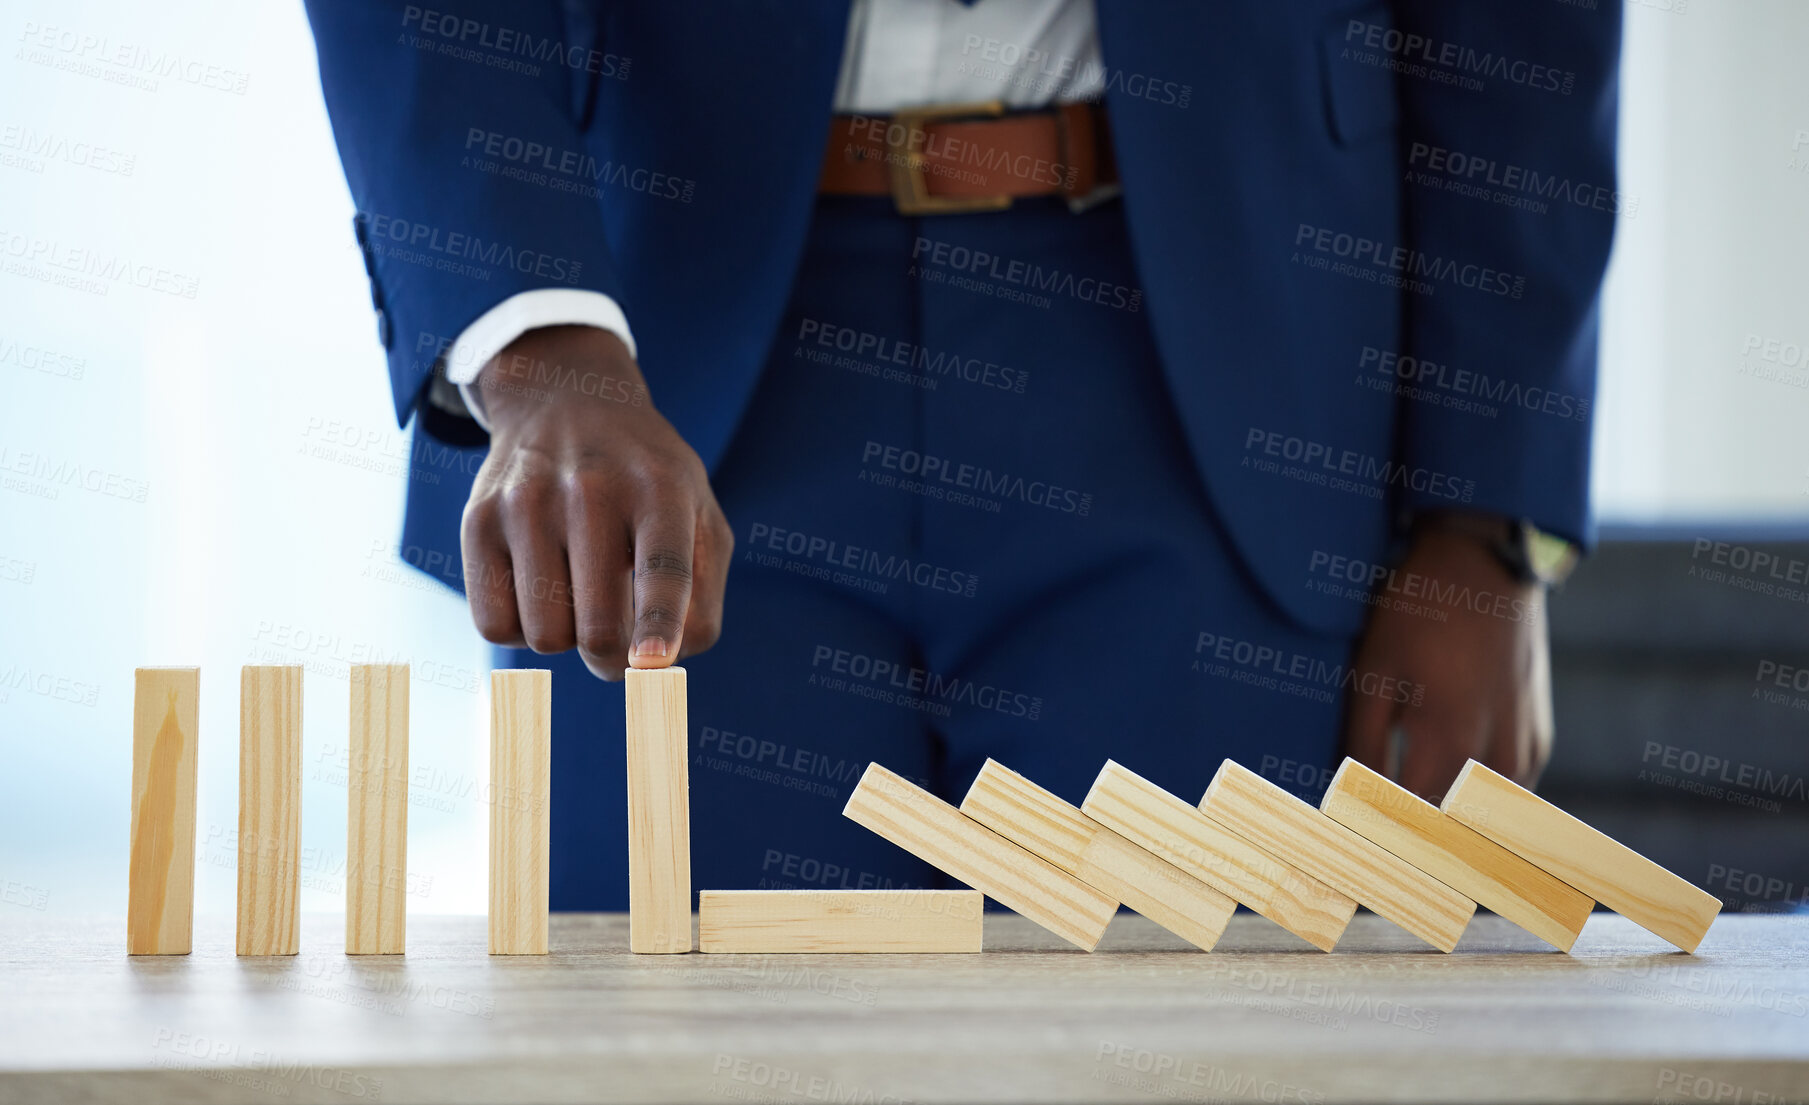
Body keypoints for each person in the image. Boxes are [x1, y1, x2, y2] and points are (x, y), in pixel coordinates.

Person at [303, 0, 1620, 908]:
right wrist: (539, 342)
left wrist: (1484, 511)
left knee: (1204, 1052)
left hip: (1217, 366)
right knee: (652, 1044)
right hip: (663, 368)